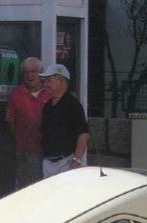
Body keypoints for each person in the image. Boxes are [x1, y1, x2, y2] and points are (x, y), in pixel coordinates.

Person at [5, 57, 50, 188]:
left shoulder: (50, 93)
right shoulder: (16, 94)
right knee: (28, 187)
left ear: (41, 73)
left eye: (33, 71)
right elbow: (11, 122)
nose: (29, 75)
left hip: (49, 152)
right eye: (26, 72)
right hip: (25, 150)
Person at [39, 64, 90, 178]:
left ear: (60, 81)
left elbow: (83, 134)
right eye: (45, 81)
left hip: (66, 161)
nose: (45, 84)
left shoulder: (73, 104)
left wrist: (76, 161)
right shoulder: (47, 105)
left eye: (49, 80)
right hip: (48, 162)